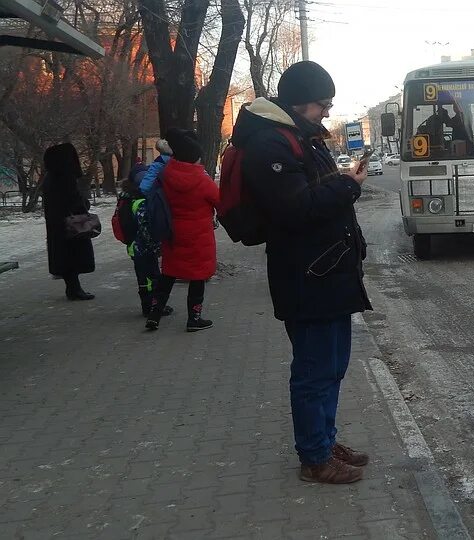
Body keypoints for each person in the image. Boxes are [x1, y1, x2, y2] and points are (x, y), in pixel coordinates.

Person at [230, 61, 372, 484]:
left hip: (326, 271)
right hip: (307, 275)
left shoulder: (298, 138)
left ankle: (325, 441)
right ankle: (315, 456)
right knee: (314, 370)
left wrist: (346, 183)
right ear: (299, 101)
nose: (327, 112)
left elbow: (312, 195)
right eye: (321, 105)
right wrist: (348, 186)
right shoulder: (270, 144)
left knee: (332, 365)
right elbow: (296, 209)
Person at [145, 129, 219, 332]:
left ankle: (154, 314)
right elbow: (219, 200)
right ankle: (194, 318)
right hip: (198, 235)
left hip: (172, 232)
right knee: (197, 276)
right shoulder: (202, 181)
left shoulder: (166, 174)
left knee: (168, 274)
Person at [41, 143, 95, 300]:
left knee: (64, 257)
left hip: (57, 225)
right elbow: (74, 199)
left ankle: (72, 287)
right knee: (73, 256)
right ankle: (74, 289)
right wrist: (84, 205)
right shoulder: (65, 177)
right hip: (71, 224)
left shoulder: (50, 177)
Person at [118, 165, 173, 317]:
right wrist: (156, 247)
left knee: (144, 278)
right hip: (144, 247)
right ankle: (151, 307)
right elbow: (145, 228)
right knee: (152, 278)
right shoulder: (141, 201)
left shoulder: (127, 197)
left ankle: (148, 306)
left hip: (134, 246)